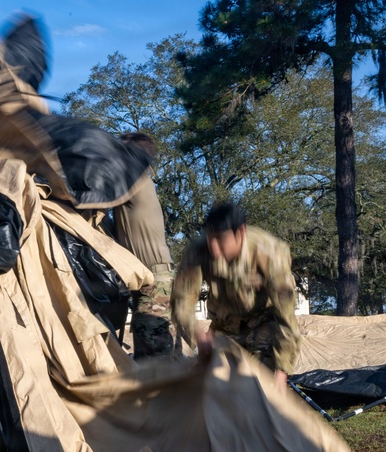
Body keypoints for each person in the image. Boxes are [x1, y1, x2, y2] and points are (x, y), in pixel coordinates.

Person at [171, 202, 300, 391]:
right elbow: (181, 302)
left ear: (240, 233)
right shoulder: (197, 252)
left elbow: (286, 316)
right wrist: (197, 336)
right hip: (224, 326)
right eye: (210, 239)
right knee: (212, 385)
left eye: (221, 240)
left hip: (262, 325)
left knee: (261, 387)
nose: (214, 249)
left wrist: (282, 370)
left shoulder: (269, 253)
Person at [113, 132, 176, 359]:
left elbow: (89, 190)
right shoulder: (131, 180)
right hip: (145, 278)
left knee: (153, 353)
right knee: (148, 347)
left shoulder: (134, 178)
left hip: (153, 278)